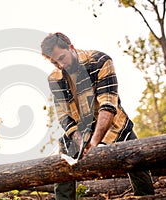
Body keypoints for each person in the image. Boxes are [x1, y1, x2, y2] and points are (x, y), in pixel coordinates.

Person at [40, 32, 154, 200]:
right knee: (63, 164)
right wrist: (79, 139)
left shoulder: (100, 61)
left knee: (135, 157)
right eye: (54, 62)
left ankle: (147, 196)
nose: (60, 65)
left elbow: (107, 105)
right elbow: (63, 115)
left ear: (71, 48)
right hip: (79, 126)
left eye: (62, 58)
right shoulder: (54, 79)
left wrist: (94, 142)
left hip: (110, 122)